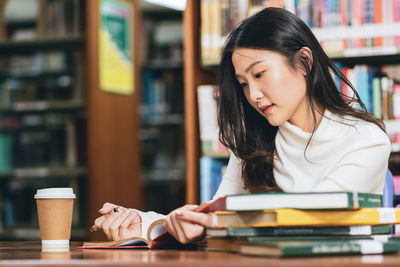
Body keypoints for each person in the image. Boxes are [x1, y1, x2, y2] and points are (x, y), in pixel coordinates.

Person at [93, 7, 391, 244]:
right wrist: (147, 224)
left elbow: (314, 219)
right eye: (243, 83)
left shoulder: (366, 140)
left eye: (260, 74)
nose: (253, 95)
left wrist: (216, 221)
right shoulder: (254, 140)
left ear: (304, 62)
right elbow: (217, 213)